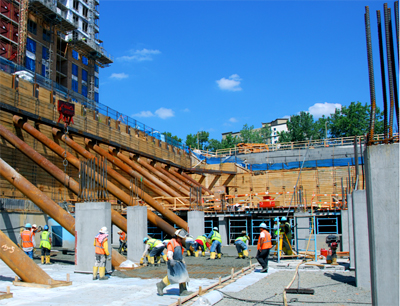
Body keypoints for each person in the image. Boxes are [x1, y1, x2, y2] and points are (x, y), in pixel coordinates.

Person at [156, 229, 191, 296]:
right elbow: (170, 252)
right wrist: (171, 259)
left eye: (182, 238)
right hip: (173, 262)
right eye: (180, 238)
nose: (181, 240)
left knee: (183, 276)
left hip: (179, 262)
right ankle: (160, 285)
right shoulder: (172, 242)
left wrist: (183, 261)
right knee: (172, 276)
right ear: (177, 236)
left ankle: (183, 290)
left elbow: (180, 254)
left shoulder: (179, 243)